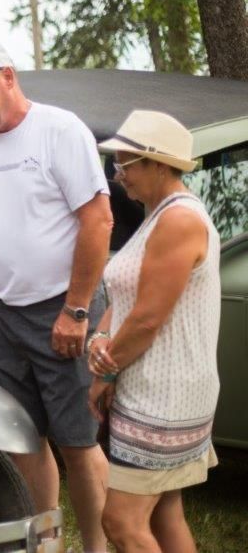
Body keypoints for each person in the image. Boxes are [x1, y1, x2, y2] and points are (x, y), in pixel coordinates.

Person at [0, 39, 113, 552]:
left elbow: (98, 220)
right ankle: (48, 542)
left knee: (78, 443)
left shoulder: (60, 131)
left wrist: (77, 311)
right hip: (1, 312)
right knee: (21, 437)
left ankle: (98, 548)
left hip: (63, 310)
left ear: (8, 76)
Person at [87, 111, 220, 552]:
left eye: (125, 164)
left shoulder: (179, 220)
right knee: (164, 515)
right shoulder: (156, 214)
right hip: (150, 387)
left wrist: (104, 373)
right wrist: (101, 339)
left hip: (164, 398)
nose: (117, 174)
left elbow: (147, 319)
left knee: (121, 522)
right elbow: (125, 300)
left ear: (159, 164)